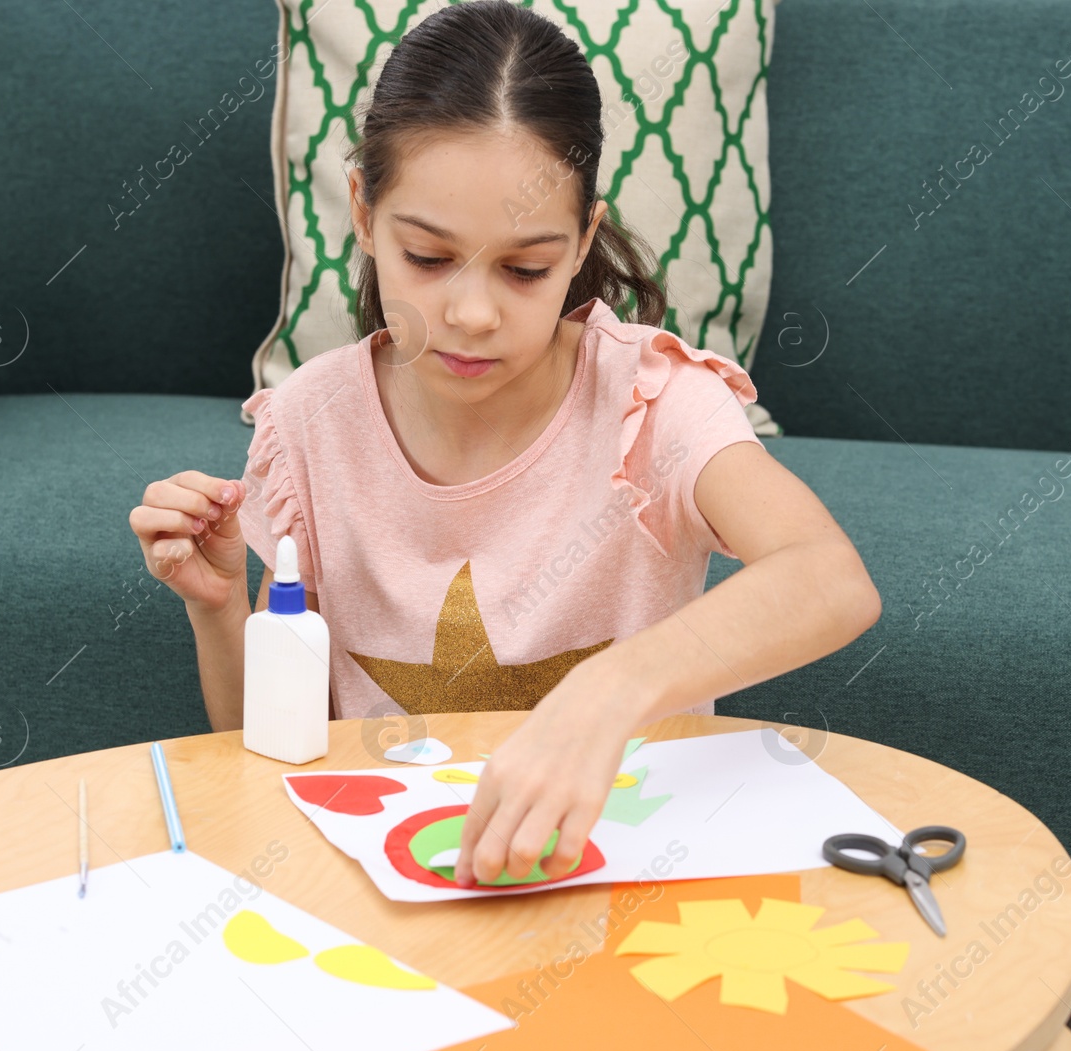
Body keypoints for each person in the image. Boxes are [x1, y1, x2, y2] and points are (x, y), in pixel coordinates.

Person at [130, 0, 880, 891]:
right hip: (395, 891)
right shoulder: (310, 422)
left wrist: (609, 693)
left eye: (525, 269)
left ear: (583, 242)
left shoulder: (654, 402)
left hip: (623, 872)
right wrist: (217, 612)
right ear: (366, 215)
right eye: (430, 257)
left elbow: (831, 579)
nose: (473, 314)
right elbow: (268, 753)